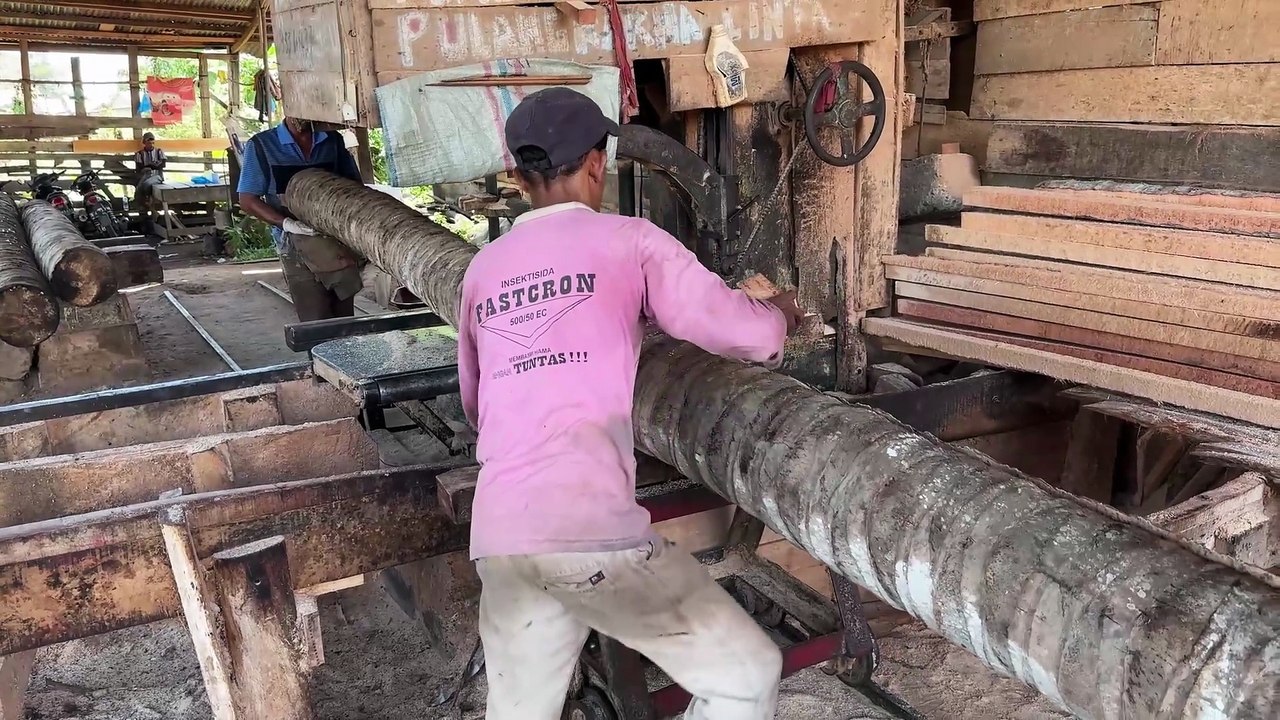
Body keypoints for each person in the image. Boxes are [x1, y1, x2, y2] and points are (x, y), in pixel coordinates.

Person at [456, 87, 805, 720]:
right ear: (597, 165)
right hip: (588, 535)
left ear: (515, 175)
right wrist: (779, 315)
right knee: (747, 675)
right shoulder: (631, 241)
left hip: (501, 533)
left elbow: (477, 403)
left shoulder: (484, 268)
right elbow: (735, 329)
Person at [237, 117, 365, 322]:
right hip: (294, 246)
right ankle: (318, 354)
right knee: (315, 316)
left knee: (344, 315)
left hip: (334, 240)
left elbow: (354, 185)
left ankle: (345, 353)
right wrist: (287, 224)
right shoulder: (262, 145)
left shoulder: (332, 141)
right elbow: (247, 199)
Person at [133, 132, 167, 236]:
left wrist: (150, 166)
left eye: (152, 143)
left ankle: (150, 208)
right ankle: (145, 209)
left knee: (146, 185)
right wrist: (149, 167)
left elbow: (162, 164)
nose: (151, 145)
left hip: (156, 176)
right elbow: (139, 168)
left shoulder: (159, 151)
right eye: (149, 143)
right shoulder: (139, 154)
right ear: (144, 143)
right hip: (145, 175)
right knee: (139, 189)